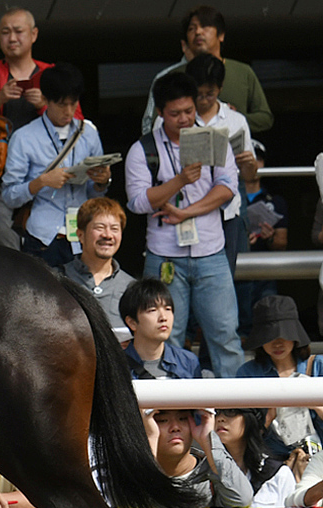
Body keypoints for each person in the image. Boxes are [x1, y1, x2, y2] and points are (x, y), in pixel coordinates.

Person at [124, 71, 242, 378]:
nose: (184, 119)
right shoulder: (144, 148)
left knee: (225, 336)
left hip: (211, 251)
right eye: (175, 113)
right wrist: (179, 180)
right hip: (165, 254)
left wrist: (185, 213)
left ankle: (241, 416)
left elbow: (228, 188)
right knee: (166, 338)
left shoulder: (215, 140)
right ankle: (168, 415)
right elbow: (137, 201)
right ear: (161, 112)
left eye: (189, 111)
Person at [0, 8, 74, 251]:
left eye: (18, 31)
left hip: (46, 177)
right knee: (5, 253)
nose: (12, 38)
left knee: (49, 248)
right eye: (5, 32)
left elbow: (76, 125)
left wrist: (44, 105)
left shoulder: (51, 75)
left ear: (33, 34)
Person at [0, 64, 110, 268]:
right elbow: (9, 196)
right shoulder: (24, 137)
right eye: (61, 104)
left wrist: (102, 183)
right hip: (43, 238)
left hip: (83, 236)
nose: (69, 111)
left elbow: (96, 197)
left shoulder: (89, 133)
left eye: (73, 103)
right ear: (46, 100)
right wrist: (41, 182)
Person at [141, 5, 273, 135]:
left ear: (221, 35)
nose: (198, 32)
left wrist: (233, 118)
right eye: (192, 29)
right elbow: (154, 123)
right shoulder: (173, 76)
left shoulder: (243, 72)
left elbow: (265, 118)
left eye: (205, 26)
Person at [186, 52, 255, 275]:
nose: (204, 99)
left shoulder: (236, 121)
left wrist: (248, 164)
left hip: (227, 212)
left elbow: (250, 174)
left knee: (225, 276)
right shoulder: (176, 118)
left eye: (210, 93)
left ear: (221, 88)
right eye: (198, 94)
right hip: (188, 208)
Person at [236, 295, 323, 467]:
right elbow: (239, 437)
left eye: (285, 334)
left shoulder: (319, 366)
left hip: (319, 461)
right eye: (269, 336)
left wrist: (315, 404)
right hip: (271, 465)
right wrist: (268, 418)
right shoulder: (248, 373)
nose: (278, 343)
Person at [58, 197, 134, 340]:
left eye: (115, 229)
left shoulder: (132, 287)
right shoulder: (59, 279)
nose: (107, 235)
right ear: (80, 235)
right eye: (99, 228)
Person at [143, 407, 252, 507]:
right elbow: (133, 501)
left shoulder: (212, 474)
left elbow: (241, 499)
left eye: (183, 419)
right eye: (162, 420)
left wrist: (207, 438)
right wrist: (150, 439)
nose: (175, 427)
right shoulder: (137, 473)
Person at [236, 141, 287, 334]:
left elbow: (281, 244)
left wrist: (269, 236)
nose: (253, 164)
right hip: (235, 268)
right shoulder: (226, 197)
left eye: (258, 158)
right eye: (246, 159)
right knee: (237, 325)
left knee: (268, 322)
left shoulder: (275, 200)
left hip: (265, 272)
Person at [120, 278, 203, 381]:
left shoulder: (188, 362)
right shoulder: (116, 365)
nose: (163, 317)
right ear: (132, 322)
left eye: (168, 309)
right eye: (152, 310)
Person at [213, 408, 295, 508]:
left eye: (231, 411)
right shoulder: (204, 471)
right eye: (216, 412)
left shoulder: (279, 473)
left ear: (252, 418)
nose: (220, 418)